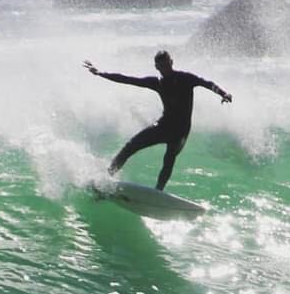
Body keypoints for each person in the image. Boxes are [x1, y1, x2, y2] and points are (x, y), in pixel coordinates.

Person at [83, 50, 232, 190]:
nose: (165, 68)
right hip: (163, 126)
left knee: (169, 159)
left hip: (181, 131)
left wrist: (223, 93)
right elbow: (127, 79)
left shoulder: (186, 78)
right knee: (129, 147)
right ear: (156, 67)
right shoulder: (157, 82)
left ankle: (158, 191)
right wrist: (100, 73)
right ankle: (105, 179)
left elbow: (207, 83)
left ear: (171, 62)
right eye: (161, 66)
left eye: (166, 64)